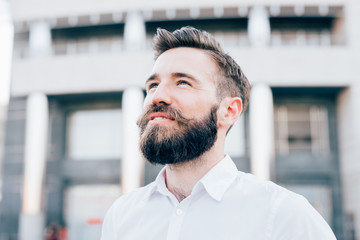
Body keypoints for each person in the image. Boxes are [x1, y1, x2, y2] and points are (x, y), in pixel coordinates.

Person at [101, 26, 336, 240]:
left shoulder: (285, 216)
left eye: (182, 82)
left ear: (229, 111)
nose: (157, 96)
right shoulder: (121, 215)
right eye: (153, 85)